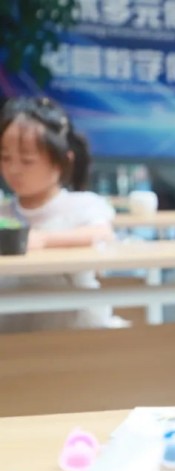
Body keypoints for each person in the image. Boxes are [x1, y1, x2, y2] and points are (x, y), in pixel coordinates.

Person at [0, 96, 117, 332]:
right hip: (12, 330)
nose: (14, 169)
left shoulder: (83, 205)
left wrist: (42, 240)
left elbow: (102, 234)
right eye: (5, 158)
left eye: (27, 160)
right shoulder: (4, 212)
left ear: (62, 161)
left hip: (75, 329)